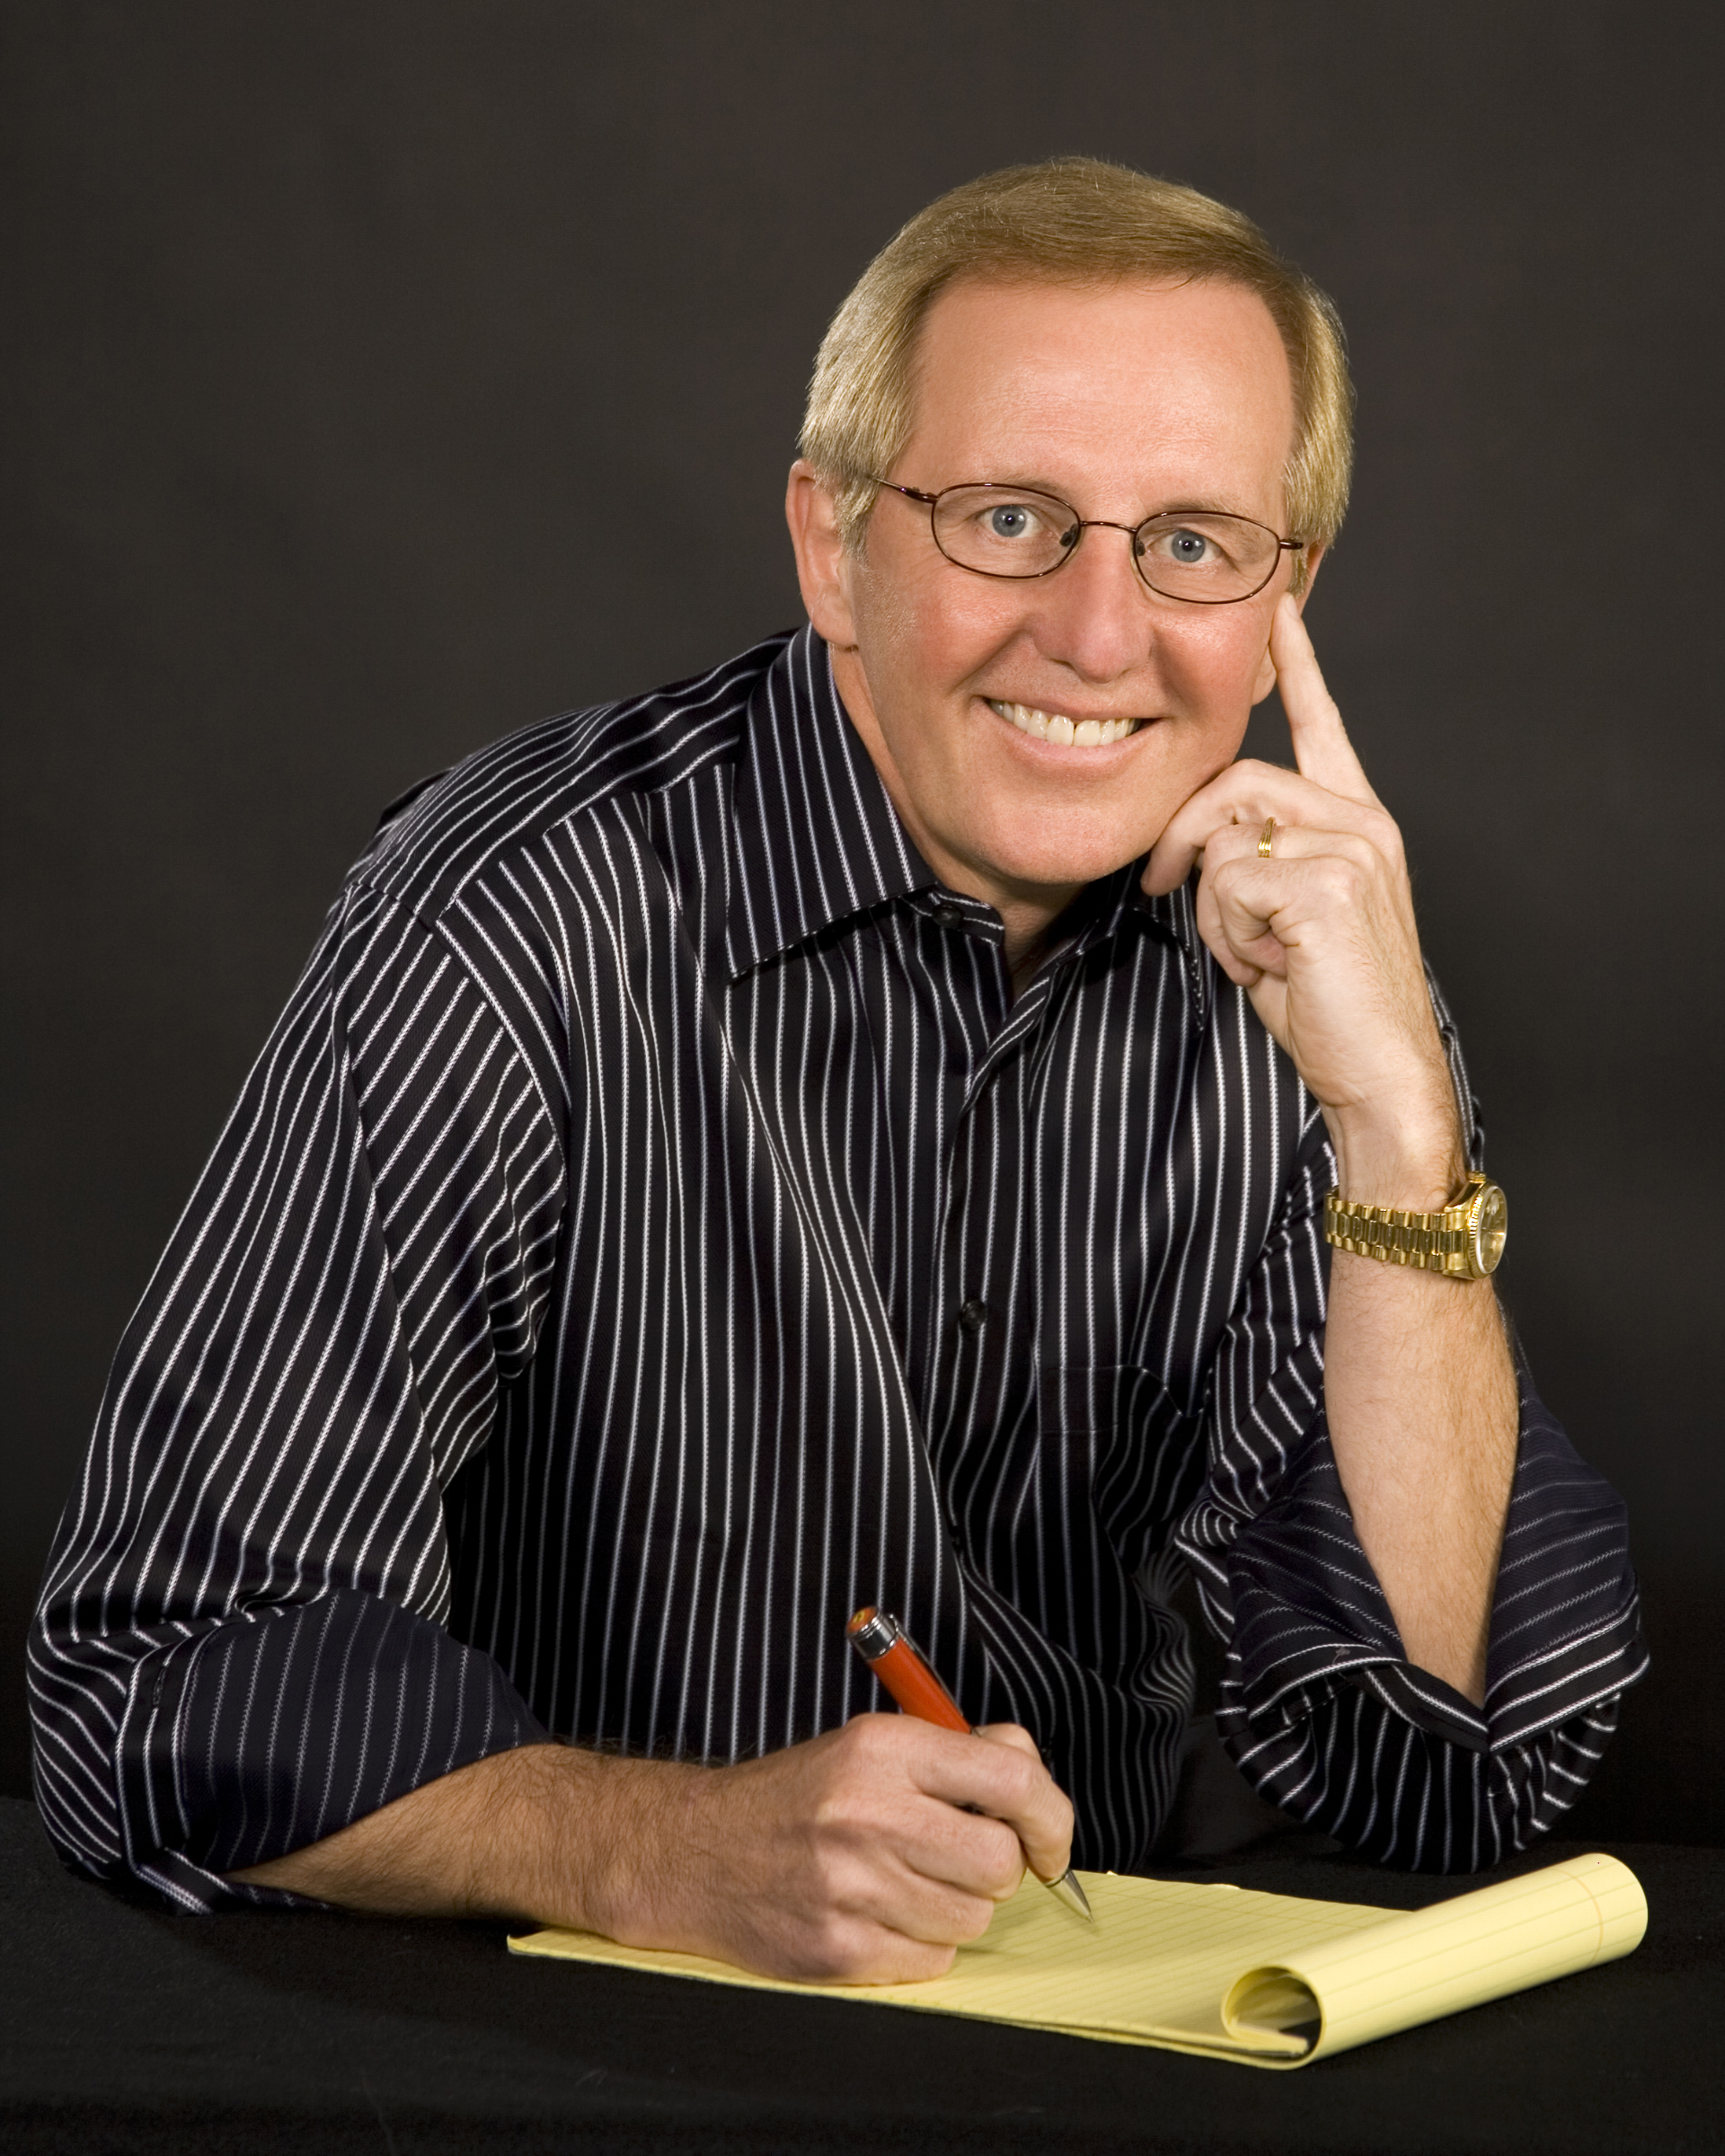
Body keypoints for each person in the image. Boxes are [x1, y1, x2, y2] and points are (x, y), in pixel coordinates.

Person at [30, 158, 1642, 1982]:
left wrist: (1399, 1132)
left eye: (1192, 543)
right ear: (832, 543)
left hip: (1076, 2034)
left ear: (1287, 595)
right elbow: (159, 1684)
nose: (1099, 634)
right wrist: (663, 1847)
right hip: (561, 2043)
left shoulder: (1309, 975)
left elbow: (1441, 1772)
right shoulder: (519, 918)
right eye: (1011, 519)